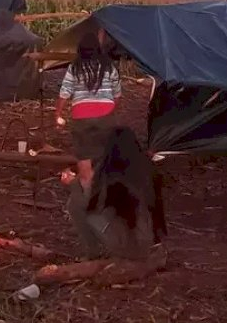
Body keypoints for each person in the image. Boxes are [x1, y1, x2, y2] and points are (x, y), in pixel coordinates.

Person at [55, 31, 121, 255]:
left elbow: (65, 92)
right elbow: (117, 95)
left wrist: (58, 113)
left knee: (85, 171)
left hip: (82, 119)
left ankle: (87, 197)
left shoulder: (75, 68)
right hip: (106, 117)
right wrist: (109, 111)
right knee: (104, 162)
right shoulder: (109, 68)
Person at [64, 127, 165, 260]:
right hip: (151, 239)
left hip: (130, 246)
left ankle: (93, 251)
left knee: (76, 206)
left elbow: (91, 206)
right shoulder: (148, 168)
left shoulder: (113, 175)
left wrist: (74, 184)